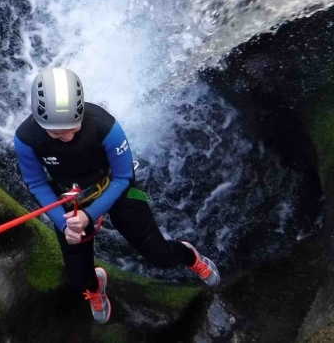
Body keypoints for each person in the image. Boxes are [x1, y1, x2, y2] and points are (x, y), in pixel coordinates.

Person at [14, 67, 219, 324]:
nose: (66, 137)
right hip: (70, 201)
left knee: (162, 258)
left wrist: (89, 215)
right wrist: (63, 221)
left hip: (111, 186)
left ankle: (189, 255)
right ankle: (96, 285)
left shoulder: (104, 125)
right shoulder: (26, 139)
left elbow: (123, 177)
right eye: (56, 133)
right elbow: (36, 183)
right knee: (79, 281)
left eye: (72, 128)